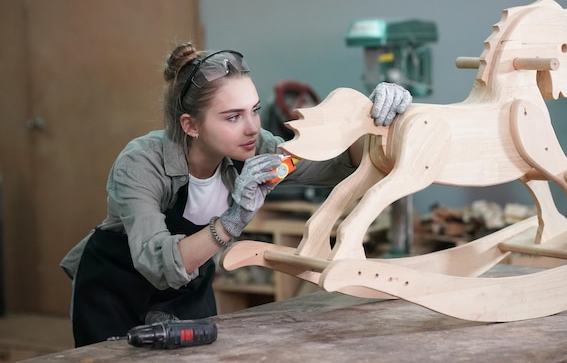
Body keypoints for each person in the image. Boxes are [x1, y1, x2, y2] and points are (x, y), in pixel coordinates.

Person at [60, 43, 411, 347]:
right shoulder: (140, 163)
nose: (253, 127)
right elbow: (157, 264)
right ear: (191, 125)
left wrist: (377, 124)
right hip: (115, 288)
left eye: (255, 110)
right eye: (232, 117)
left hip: (187, 290)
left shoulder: (255, 149)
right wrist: (231, 222)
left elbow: (333, 162)